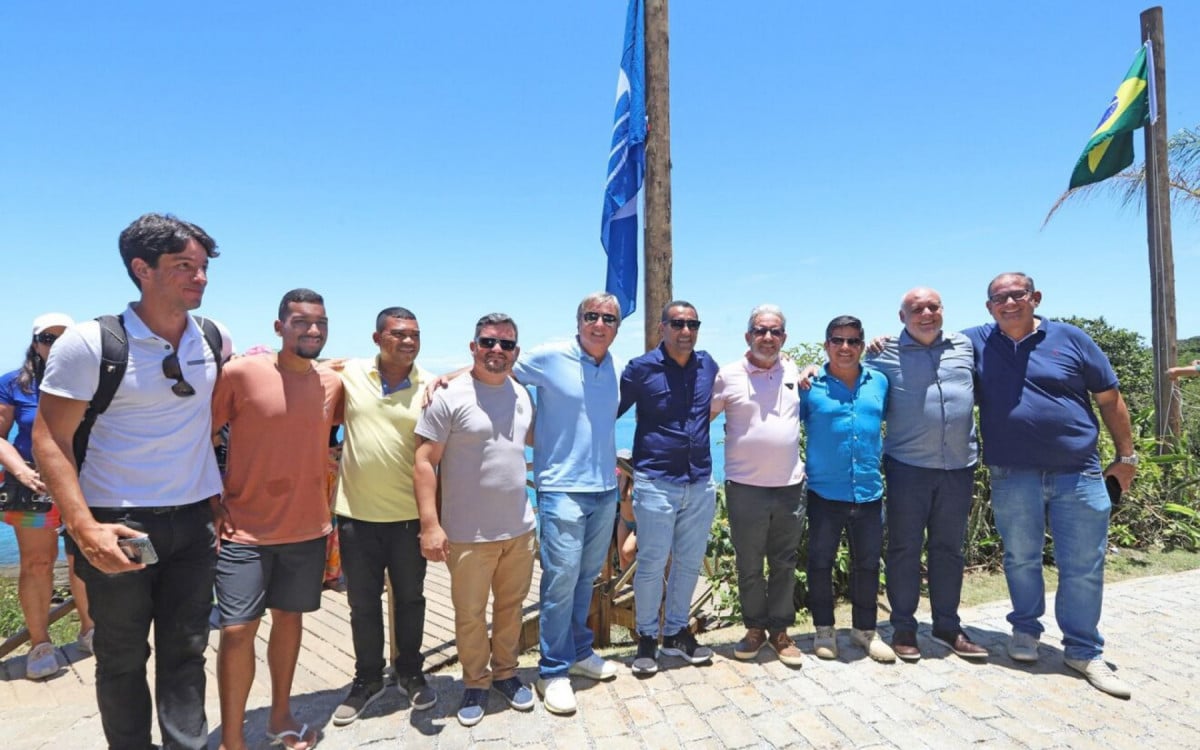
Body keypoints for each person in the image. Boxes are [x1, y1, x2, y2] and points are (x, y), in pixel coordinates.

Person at [34, 213, 231, 750]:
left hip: (193, 524)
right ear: (141, 269)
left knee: (186, 650)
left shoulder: (214, 337)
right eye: (184, 266)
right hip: (119, 525)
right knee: (122, 657)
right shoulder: (92, 343)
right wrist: (83, 527)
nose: (201, 277)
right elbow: (49, 438)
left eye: (203, 266)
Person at [964, 272, 1137, 698]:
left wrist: (1126, 457)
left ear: (1035, 297)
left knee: (1082, 565)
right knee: (1020, 557)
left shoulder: (1071, 338)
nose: (1008, 303)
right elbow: (923, 343)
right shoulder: (975, 341)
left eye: (1017, 294)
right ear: (988, 307)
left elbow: (1109, 398)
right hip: (1012, 474)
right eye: (998, 298)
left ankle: (1082, 649)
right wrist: (876, 344)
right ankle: (1024, 631)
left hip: (1077, 471)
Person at [211, 289, 343, 750]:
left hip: (308, 529)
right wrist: (211, 502)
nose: (312, 330)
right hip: (243, 529)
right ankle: (231, 740)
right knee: (236, 630)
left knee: (289, 620)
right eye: (302, 322)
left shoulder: (331, 383)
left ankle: (280, 715)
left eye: (321, 323)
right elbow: (199, 436)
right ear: (279, 326)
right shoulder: (241, 373)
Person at [414, 313, 536, 727]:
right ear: (473, 346)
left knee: (510, 608)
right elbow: (424, 462)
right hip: (467, 533)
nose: (496, 351)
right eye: (488, 342)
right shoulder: (448, 396)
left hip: (519, 528)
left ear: (515, 352)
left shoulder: (521, 393)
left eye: (505, 344)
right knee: (469, 613)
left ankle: (505, 673)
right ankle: (475, 681)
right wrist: (430, 525)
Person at [514, 292, 622, 715]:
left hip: (605, 488)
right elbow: (499, 373)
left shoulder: (612, 363)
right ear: (578, 320)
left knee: (585, 578)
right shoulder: (550, 355)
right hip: (560, 488)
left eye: (608, 318)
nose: (600, 324)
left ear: (616, 326)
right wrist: (445, 380)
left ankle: (578, 652)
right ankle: (552, 671)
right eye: (592, 316)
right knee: (560, 580)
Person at [866, 288, 988, 662]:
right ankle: (904, 626)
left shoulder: (965, 346)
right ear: (902, 316)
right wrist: (806, 371)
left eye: (933, 306)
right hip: (907, 467)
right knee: (904, 549)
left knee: (949, 550)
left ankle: (948, 626)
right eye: (916, 309)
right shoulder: (882, 353)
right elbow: (845, 374)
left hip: (958, 466)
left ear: (943, 310)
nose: (926, 313)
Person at [330, 307, 437, 726]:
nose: (408, 341)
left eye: (414, 334)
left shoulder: (432, 383)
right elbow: (297, 366)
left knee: (411, 600)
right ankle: (368, 679)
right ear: (377, 338)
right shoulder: (351, 372)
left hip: (410, 516)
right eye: (398, 334)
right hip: (355, 515)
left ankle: (410, 673)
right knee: (362, 604)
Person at [618, 300, 718, 675]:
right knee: (651, 564)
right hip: (656, 482)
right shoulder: (640, 370)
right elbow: (606, 410)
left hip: (699, 481)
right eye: (677, 323)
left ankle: (676, 633)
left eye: (692, 323)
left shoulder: (708, 365)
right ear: (662, 327)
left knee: (689, 564)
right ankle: (646, 638)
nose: (685, 330)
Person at [709, 304, 806, 668]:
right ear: (748, 336)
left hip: (790, 486)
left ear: (784, 337)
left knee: (784, 562)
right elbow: (702, 417)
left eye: (776, 331)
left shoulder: (794, 370)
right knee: (749, 563)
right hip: (745, 487)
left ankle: (780, 632)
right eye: (761, 331)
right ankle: (754, 629)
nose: (768, 337)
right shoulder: (728, 375)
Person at [1, 313, 94, 680]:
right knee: (37, 565)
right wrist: (21, 471)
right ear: (34, 342)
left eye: (63, 338)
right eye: (47, 338)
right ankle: (40, 644)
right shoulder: (13, 383)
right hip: (32, 486)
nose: (54, 345)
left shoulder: (92, 379)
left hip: (84, 481)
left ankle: (90, 631)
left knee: (84, 560)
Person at [799, 316, 895, 663]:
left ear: (862, 345)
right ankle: (824, 630)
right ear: (827, 345)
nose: (845, 347)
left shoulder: (880, 382)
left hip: (869, 491)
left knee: (868, 565)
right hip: (825, 493)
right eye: (837, 340)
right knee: (820, 564)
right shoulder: (808, 387)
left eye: (853, 341)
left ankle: (865, 631)